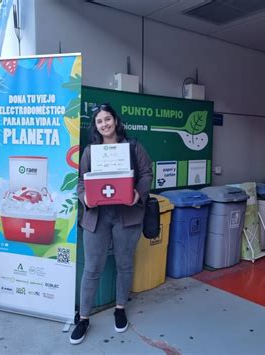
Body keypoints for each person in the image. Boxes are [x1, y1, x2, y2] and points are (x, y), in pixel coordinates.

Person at [70, 103, 153, 345]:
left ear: (115, 121)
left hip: (127, 214)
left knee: (124, 263)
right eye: (99, 121)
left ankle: (119, 308)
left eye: (108, 119)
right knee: (92, 267)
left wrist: (138, 193)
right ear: (95, 126)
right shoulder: (90, 152)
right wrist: (84, 197)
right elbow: (80, 181)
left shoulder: (133, 147)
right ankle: (84, 317)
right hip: (97, 216)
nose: (104, 124)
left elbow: (147, 173)